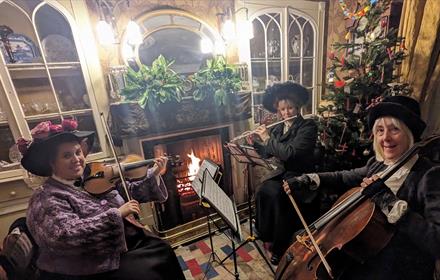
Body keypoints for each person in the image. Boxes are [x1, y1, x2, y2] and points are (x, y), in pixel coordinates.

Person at [283, 95, 440, 280]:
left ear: (409, 133)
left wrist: (391, 203)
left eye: (394, 129)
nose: (385, 138)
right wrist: (308, 179)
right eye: (380, 130)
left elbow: (436, 241)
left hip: (399, 264)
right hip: (365, 252)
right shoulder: (378, 164)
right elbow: (343, 176)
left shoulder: (429, 174)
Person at [17, 119, 185, 280]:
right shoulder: (45, 197)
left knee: (163, 248)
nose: (76, 159)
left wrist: (154, 173)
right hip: (91, 264)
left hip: (120, 244)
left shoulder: (87, 179)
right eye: (67, 155)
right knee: (148, 270)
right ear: (51, 163)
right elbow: (64, 236)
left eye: (78, 152)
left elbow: (129, 191)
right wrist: (117, 214)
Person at [248, 82, 318, 265]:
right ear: (278, 110)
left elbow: (290, 153)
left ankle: (280, 247)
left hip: (301, 175)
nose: (286, 113)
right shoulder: (280, 127)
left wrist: (267, 138)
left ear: (298, 107)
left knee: (279, 195)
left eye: (290, 108)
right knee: (264, 189)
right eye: (282, 109)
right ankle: (265, 234)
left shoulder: (308, 127)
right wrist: (255, 143)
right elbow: (270, 152)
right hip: (283, 173)